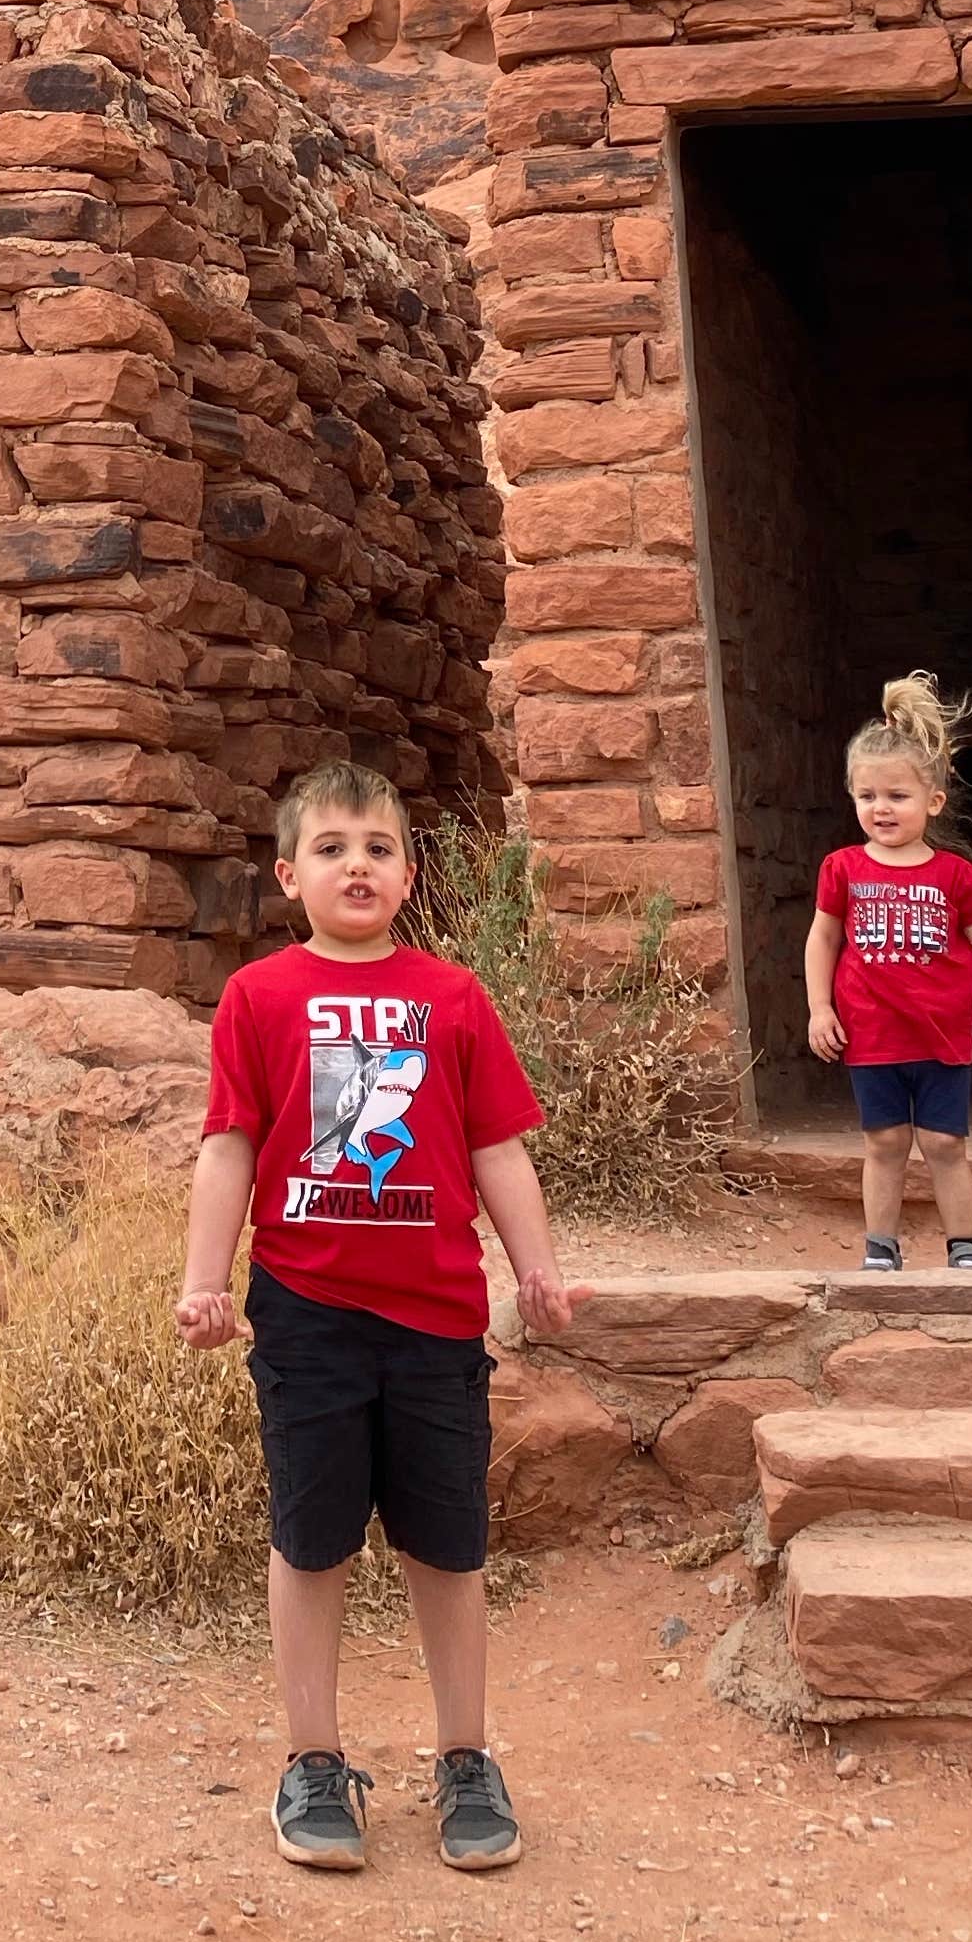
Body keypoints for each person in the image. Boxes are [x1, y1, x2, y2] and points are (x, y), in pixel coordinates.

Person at [176, 760, 576, 1878]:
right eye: (333, 847)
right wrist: (205, 1282)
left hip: (439, 1316)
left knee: (447, 1546)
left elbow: (498, 1145)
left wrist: (536, 1272)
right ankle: (312, 1761)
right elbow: (230, 1148)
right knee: (313, 1541)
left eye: (380, 848)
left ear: (409, 875)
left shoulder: (453, 999)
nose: (358, 864)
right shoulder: (257, 998)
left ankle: (464, 1758)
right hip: (306, 1315)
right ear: (288, 875)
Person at [804, 671, 972, 1274]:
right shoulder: (843, 867)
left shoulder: (957, 875)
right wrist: (820, 1008)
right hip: (872, 1034)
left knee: (944, 1144)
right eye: (867, 796)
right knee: (884, 1143)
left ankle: (964, 1245)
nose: (881, 808)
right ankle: (881, 1245)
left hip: (942, 1036)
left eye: (897, 797)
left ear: (932, 802)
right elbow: (823, 937)